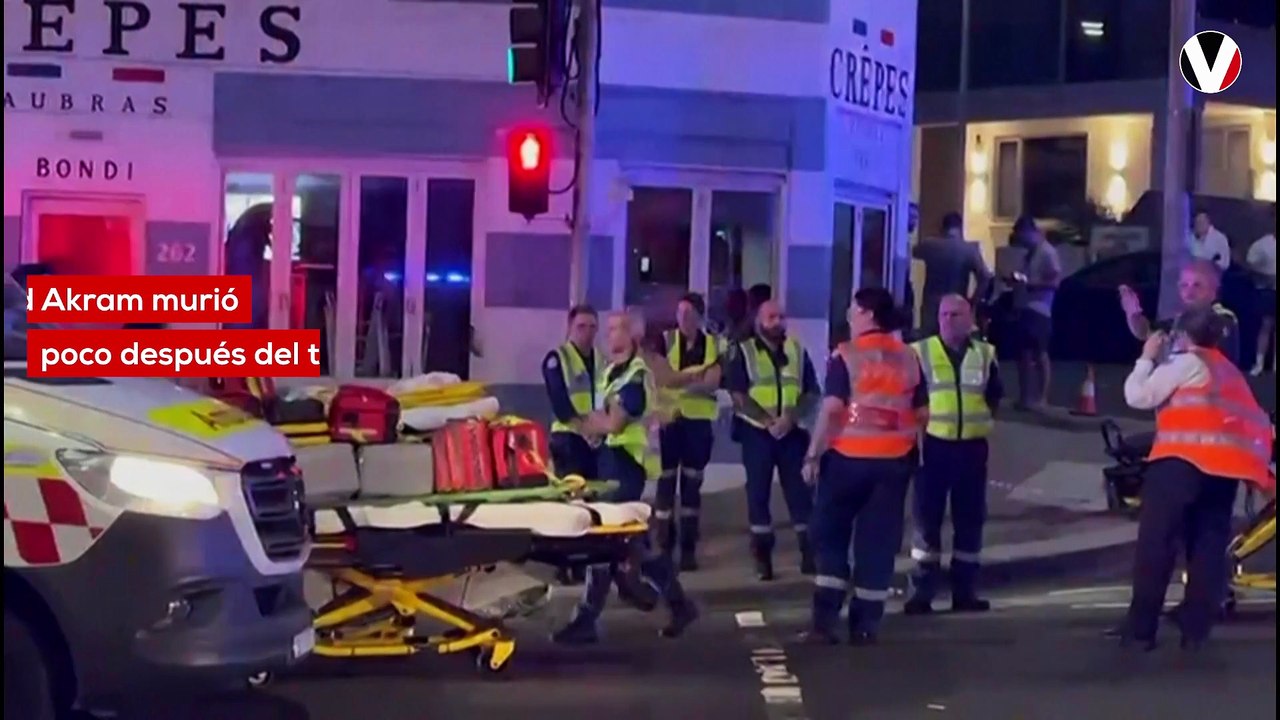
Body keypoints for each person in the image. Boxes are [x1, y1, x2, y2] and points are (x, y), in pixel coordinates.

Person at [1115, 307, 1271, 650]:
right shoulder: (1229, 372)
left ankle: (1141, 631)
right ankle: (1195, 628)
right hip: (1222, 472)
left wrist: (1145, 359)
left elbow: (1139, 396)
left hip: (1180, 465)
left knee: (1157, 544)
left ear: (1183, 335)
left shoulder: (1186, 363)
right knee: (1207, 547)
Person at [552, 311, 699, 645]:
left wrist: (589, 425)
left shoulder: (634, 375)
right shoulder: (612, 372)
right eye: (609, 328)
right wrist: (596, 427)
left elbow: (615, 422)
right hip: (611, 462)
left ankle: (589, 617)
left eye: (616, 328)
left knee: (609, 540)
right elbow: (606, 417)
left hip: (625, 465)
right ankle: (677, 605)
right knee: (629, 541)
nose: (608, 334)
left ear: (633, 334)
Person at [798, 287, 926, 645]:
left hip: (847, 462)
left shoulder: (847, 355)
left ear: (868, 313)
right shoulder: (908, 358)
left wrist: (812, 454)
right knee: (878, 544)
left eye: (853, 309)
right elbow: (922, 414)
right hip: (893, 464)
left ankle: (825, 622)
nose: (849, 316)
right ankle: (866, 624)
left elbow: (834, 409)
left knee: (829, 536)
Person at [903, 295, 1003, 615]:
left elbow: (994, 395)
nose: (947, 319)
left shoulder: (985, 354)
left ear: (969, 317)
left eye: (955, 314)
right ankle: (922, 593)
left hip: (972, 448)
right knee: (926, 522)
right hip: (932, 447)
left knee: (970, 520)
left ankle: (965, 593)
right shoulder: (920, 352)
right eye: (943, 314)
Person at [724, 299, 820, 580]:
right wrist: (768, 422)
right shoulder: (743, 351)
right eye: (771, 317)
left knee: (801, 495)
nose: (777, 322)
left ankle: (809, 553)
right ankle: (762, 558)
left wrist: (790, 418)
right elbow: (738, 394)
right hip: (757, 433)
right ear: (758, 321)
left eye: (781, 316)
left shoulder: (797, 350)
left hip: (792, 432)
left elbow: (812, 391)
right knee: (758, 495)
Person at [652, 293, 721, 570]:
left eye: (689, 314)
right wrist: (695, 374)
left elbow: (713, 383)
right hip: (670, 423)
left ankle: (688, 549)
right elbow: (661, 377)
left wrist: (678, 379)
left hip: (698, 425)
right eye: (680, 313)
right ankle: (664, 548)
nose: (683, 318)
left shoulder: (714, 344)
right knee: (665, 488)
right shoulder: (665, 339)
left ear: (700, 316)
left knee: (692, 488)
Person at [1120, 259, 1240, 366]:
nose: (1189, 293)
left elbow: (1217, 361)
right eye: (1184, 285)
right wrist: (1133, 314)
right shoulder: (1181, 318)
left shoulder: (1223, 317)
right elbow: (1149, 334)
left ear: (1214, 290)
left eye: (1197, 286)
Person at [911, 212, 993, 337]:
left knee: (929, 344)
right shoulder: (969, 249)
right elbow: (985, 277)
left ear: (942, 227)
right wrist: (973, 301)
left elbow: (914, 251)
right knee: (955, 342)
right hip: (956, 304)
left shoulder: (930, 245)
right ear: (960, 228)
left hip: (932, 305)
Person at [1009, 216, 1061, 409]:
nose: (1021, 241)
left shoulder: (1047, 252)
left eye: (1022, 236)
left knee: (1040, 353)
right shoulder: (1030, 254)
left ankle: (1042, 398)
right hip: (1025, 307)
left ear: (1030, 232)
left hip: (1039, 309)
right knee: (1023, 354)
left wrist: (1032, 286)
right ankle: (1025, 398)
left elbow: (1055, 281)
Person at [1245, 222, 1276, 376]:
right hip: (1267, 291)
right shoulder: (1263, 244)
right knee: (1266, 325)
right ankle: (1259, 363)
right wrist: (1266, 276)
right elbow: (1250, 265)